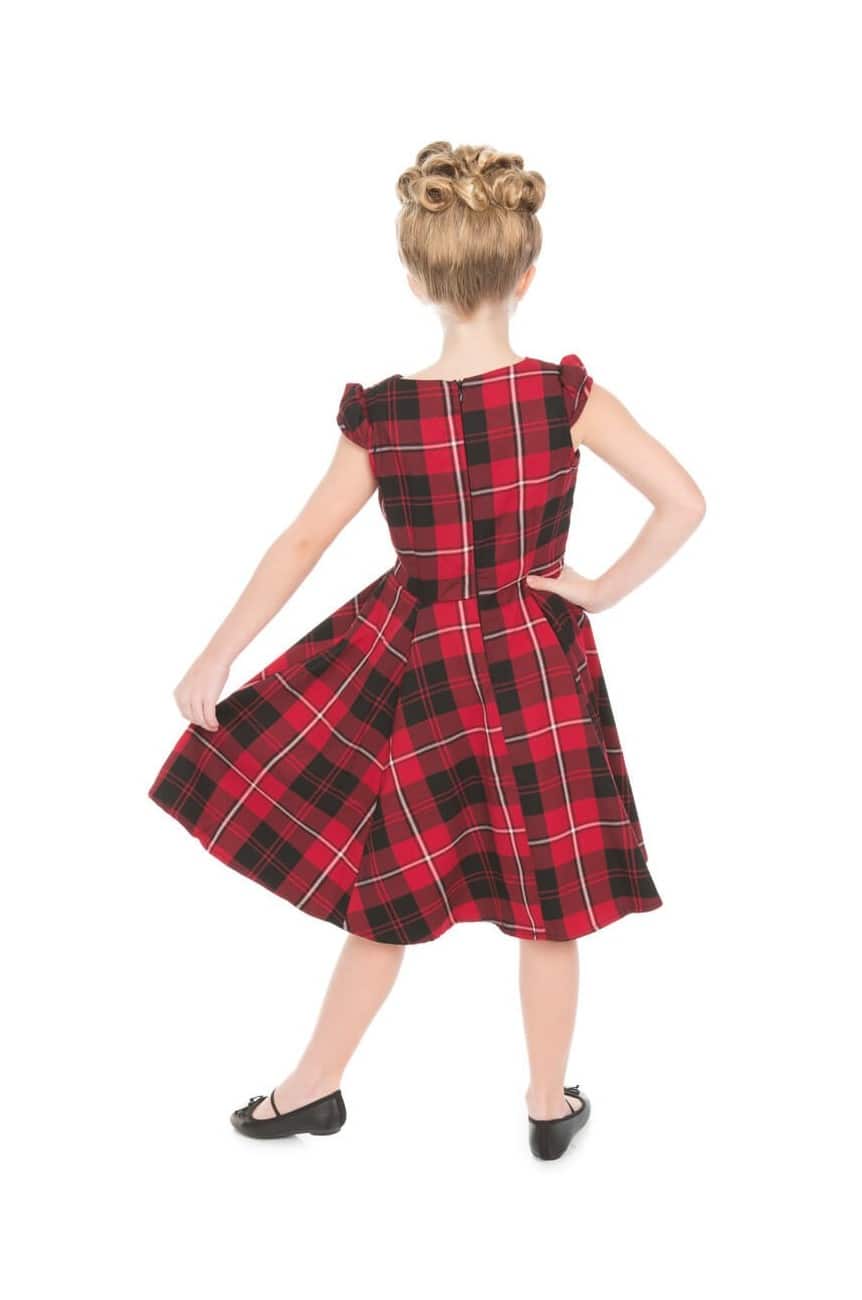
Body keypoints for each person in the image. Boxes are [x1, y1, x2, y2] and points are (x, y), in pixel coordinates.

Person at [147, 139, 706, 1161]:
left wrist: (216, 655)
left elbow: (302, 542)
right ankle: (548, 1105)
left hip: (422, 668)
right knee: (547, 899)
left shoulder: (385, 414)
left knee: (386, 889)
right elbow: (683, 501)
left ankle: (311, 1088)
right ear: (527, 275)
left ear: (415, 279)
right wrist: (596, 592)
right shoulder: (564, 396)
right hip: (536, 664)